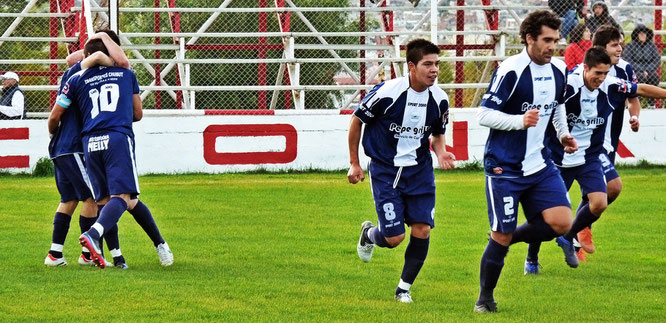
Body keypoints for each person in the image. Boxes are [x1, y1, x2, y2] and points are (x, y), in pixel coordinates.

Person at [473, 10, 578, 313]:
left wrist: (562, 134)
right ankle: (485, 299)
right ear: (530, 39)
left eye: (556, 40)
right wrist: (520, 121)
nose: (552, 46)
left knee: (561, 222)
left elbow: (556, 106)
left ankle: (504, 237)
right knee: (501, 236)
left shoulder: (559, 69)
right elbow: (483, 114)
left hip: (540, 165)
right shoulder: (511, 70)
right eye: (546, 40)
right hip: (504, 167)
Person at [48, 38, 173, 269]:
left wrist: (51, 131)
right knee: (122, 198)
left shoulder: (77, 77)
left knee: (108, 201)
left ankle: (121, 255)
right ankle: (92, 237)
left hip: (89, 142)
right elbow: (137, 114)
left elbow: (73, 62)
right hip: (115, 137)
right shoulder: (125, 72)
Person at [349, 38, 456, 303]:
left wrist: (441, 152)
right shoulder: (387, 92)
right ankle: (369, 234)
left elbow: (438, 133)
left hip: (419, 172)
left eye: (437, 64)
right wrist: (354, 162)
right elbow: (356, 121)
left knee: (422, 229)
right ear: (411, 66)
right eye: (427, 64)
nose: (434, 70)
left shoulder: (440, 99)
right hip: (386, 171)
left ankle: (403, 289)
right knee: (394, 237)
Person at [525, 47, 639, 270]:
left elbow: (640, 89)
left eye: (605, 73)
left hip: (589, 157)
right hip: (559, 159)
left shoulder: (610, 85)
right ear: (585, 68)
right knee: (546, 215)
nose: (601, 78)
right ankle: (531, 258)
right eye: (597, 73)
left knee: (599, 202)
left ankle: (568, 236)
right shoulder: (568, 86)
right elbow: (548, 110)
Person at [44, 30, 130, 269]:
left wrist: (52, 132)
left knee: (69, 198)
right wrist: (102, 49)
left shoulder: (71, 74)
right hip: (74, 145)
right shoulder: (83, 75)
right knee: (95, 197)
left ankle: (55, 253)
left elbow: (70, 59)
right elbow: (118, 62)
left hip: (59, 146)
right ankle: (89, 253)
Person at [623, 24, 661, 107]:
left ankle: (651, 104)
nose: (643, 35)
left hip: (649, 71)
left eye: (645, 33)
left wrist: (647, 70)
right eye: (640, 34)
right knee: (638, 77)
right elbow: (627, 60)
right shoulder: (630, 46)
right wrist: (642, 70)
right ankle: (637, 103)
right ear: (636, 35)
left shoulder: (651, 46)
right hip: (636, 70)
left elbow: (657, 60)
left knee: (654, 76)